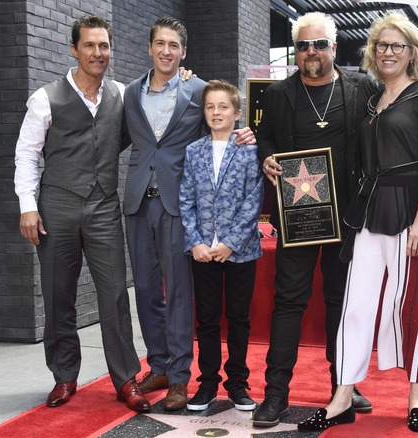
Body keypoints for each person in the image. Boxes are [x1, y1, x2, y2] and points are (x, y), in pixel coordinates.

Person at [297, 12, 418, 434]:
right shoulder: (370, 100)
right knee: (356, 306)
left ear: (411, 52)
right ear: (372, 51)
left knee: (410, 305)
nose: (388, 52)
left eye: (396, 46)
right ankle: (342, 398)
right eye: (381, 45)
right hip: (368, 212)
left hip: (410, 212)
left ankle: (416, 397)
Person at [13, 15, 149, 412]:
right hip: (56, 206)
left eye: (104, 46)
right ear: (74, 49)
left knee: (115, 297)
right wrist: (28, 206)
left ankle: (126, 380)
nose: (97, 53)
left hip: (104, 206)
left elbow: (153, 121)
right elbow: (26, 154)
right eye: (89, 46)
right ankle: (64, 377)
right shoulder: (45, 97)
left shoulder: (121, 95)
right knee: (58, 296)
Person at [121, 16, 254, 411]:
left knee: (178, 292)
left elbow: (222, 118)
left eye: (173, 45)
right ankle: (158, 365)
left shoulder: (198, 90)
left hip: (178, 204)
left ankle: (180, 377)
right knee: (145, 290)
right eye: (160, 44)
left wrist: (245, 134)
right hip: (137, 201)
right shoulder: (129, 92)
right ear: (149, 48)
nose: (166, 51)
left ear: (183, 52)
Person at [255, 11, 378, 428]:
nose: (311, 52)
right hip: (299, 216)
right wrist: (266, 158)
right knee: (288, 302)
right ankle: (276, 394)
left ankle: (343, 387)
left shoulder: (361, 88)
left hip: (347, 216)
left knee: (342, 305)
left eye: (319, 44)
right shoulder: (277, 94)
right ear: (295, 51)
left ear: (334, 47)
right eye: (303, 45)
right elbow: (265, 139)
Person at [178, 80, 263, 412]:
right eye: (210, 107)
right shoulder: (193, 150)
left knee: (239, 319)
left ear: (237, 112)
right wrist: (195, 242)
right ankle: (208, 384)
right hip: (202, 253)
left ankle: (238, 383)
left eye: (223, 107)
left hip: (240, 251)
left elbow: (253, 201)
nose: (216, 112)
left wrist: (231, 243)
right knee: (208, 321)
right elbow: (186, 200)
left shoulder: (250, 150)